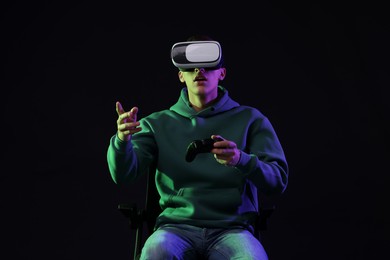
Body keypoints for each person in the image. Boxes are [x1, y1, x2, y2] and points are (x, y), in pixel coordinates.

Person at [107, 34, 289, 259]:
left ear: (222, 73)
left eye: (207, 67)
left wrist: (240, 160)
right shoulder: (156, 124)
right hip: (175, 228)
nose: (199, 72)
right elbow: (123, 175)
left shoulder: (251, 119)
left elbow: (278, 181)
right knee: (155, 250)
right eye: (191, 68)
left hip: (233, 229)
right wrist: (122, 141)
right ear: (181, 75)